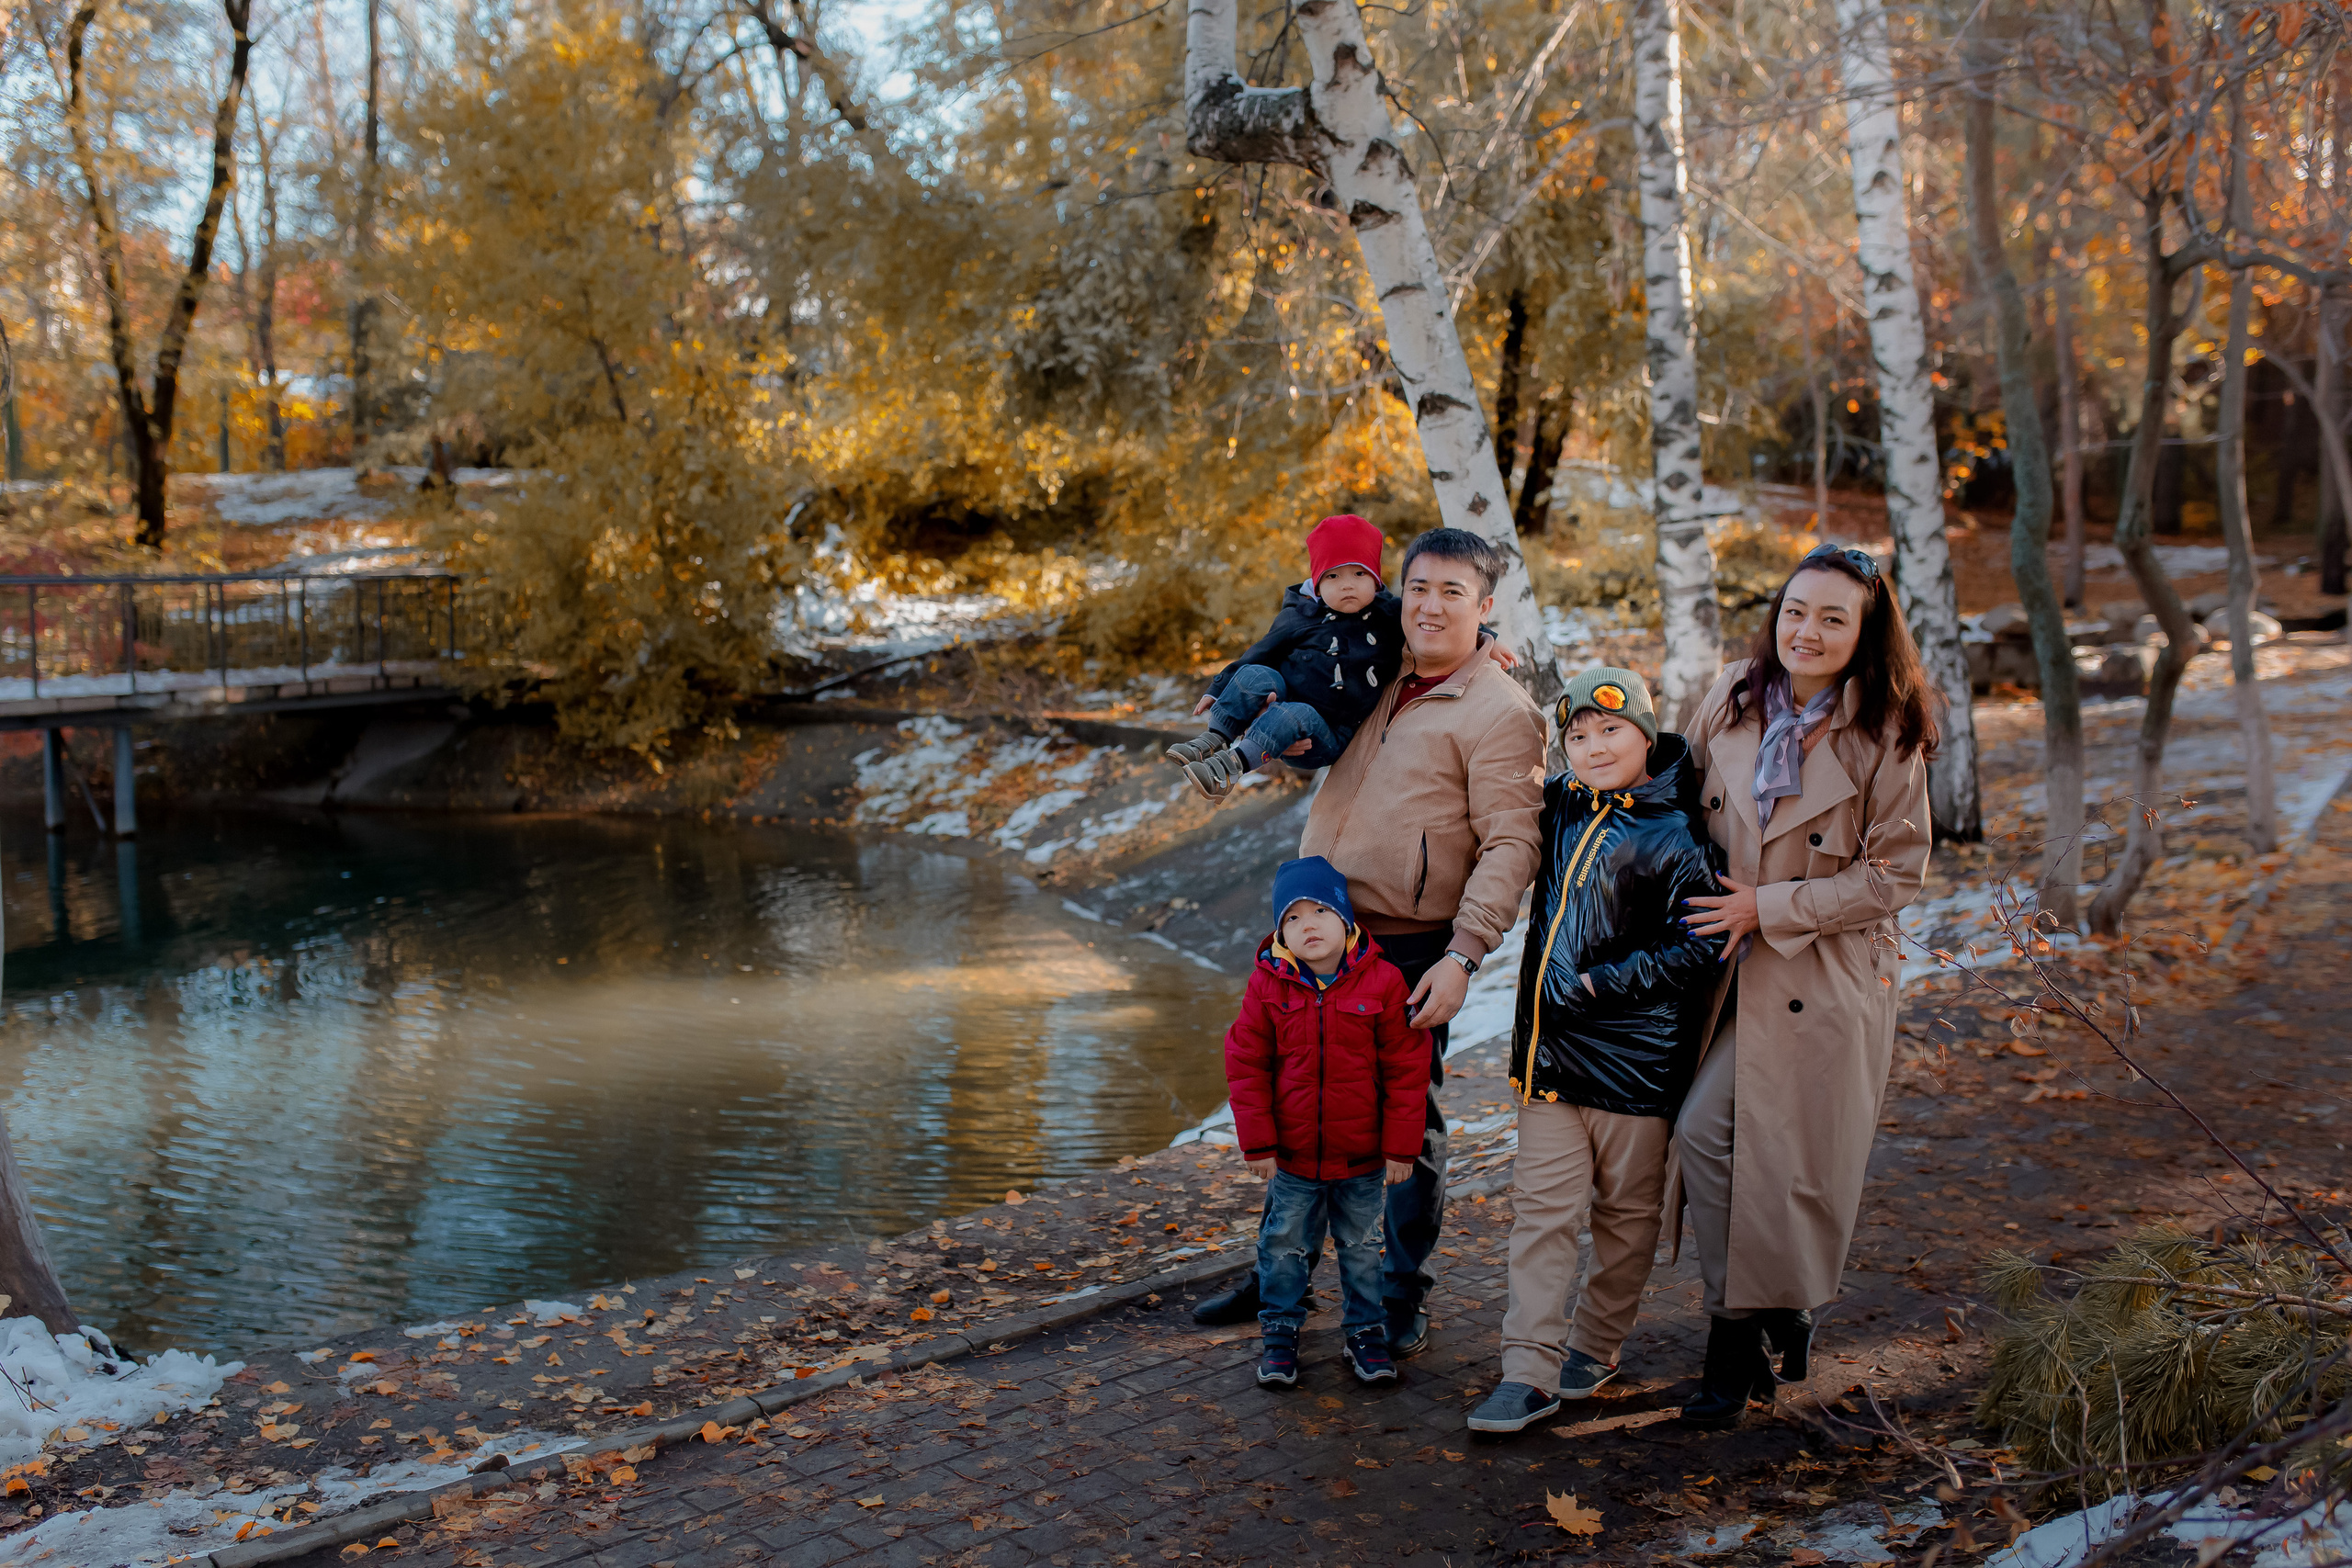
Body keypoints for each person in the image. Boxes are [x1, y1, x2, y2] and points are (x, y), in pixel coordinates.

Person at [1193, 527, 1546, 1358]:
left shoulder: (1502, 710)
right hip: (1318, 932)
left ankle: (1398, 1290)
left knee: (1403, 1123)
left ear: (1483, 607)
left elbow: (1512, 845)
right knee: (1300, 1101)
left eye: (1452, 593)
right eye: (1418, 587)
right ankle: (1282, 1272)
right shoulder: (1384, 669)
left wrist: (1464, 955)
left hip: (1410, 945)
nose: (1428, 605)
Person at [1672, 542, 1938, 1428]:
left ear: (1864, 633)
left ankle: (1732, 1334)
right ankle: (1766, 1313)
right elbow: (1672, 795)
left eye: (1832, 617)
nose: (1807, 630)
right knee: (1709, 1137)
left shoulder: (1887, 732)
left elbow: (1895, 875)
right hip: (1721, 966)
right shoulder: (1731, 699)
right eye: (1795, 610)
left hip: (1822, 972)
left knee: (1776, 1160)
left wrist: (1772, 904)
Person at [1467, 669, 1724, 1434]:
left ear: (1645, 733)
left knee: (1624, 1220)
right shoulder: (1558, 811)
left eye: (1610, 729)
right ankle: (1528, 1370)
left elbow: (1700, 949)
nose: (1592, 745)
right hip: (1550, 1063)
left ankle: (1598, 1343)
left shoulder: (1676, 834)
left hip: (1636, 1070)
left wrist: (1600, 984)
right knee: (1541, 1217)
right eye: (1576, 735)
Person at [1224, 856, 1428, 1387]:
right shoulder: (1268, 985)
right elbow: (1246, 1064)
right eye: (1292, 918)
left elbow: (1407, 1068)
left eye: (1320, 911)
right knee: (1284, 1247)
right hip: (1292, 1161)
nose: (1307, 925)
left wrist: (1400, 1149)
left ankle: (1365, 1333)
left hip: (1361, 1159)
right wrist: (1259, 1145)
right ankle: (1280, 1336)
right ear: (1280, 932)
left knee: (1362, 1251)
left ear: (1347, 920)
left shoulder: (1383, 982)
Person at [1167, 513, 1408, 800]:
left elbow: (1428, 622)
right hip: (1283, 716)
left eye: (1359, 574)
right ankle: (1213, 739)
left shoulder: (1390, 616)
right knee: (1256, 674)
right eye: (1333, 575)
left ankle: (1229, 769)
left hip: (1330, 736)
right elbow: (1261, 652)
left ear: (1377, 580)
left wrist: (1474, 626)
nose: (1347, 585)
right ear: (1316, 583)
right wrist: (1219, 687)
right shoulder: (1300, 616)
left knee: (1296, 713)